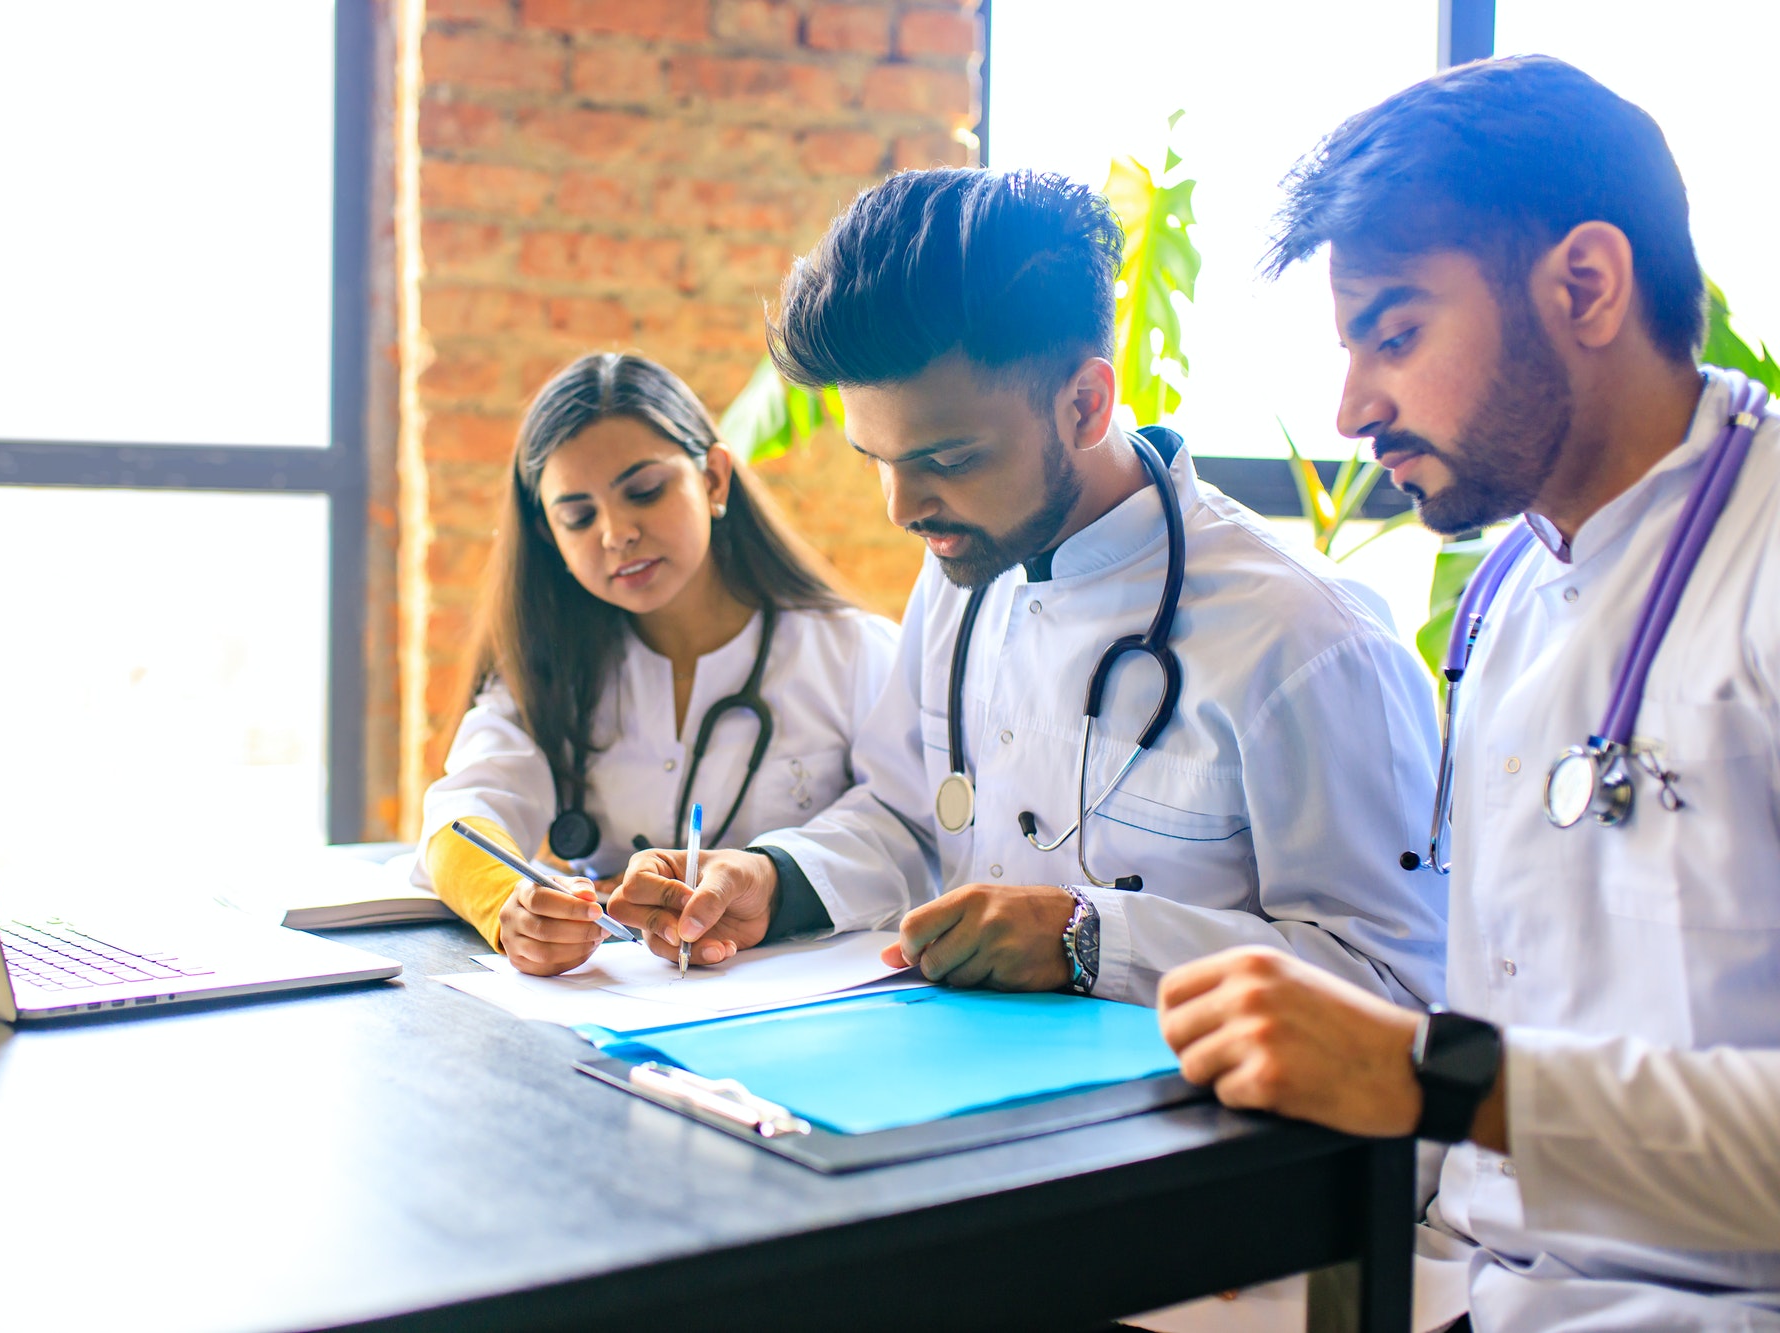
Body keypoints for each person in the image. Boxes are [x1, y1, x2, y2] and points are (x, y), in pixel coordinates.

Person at [1156, 56, 1780, 1330]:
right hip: (1484, 1283)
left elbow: (1466, 1072)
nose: (1351, 408)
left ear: (1584, 287)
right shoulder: (1501, 590)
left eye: (1395, 333)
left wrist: (1436, 1078)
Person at [609, 168, 1445, 1015]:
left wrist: (1091, 939)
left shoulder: (1306, 638)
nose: (903, 508)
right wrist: (773, 878)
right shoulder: (962, 568)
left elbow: (1399, 981)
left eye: (949, 459)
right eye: (878, 463)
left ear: (1085, 403)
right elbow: (907, 816)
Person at [414, 353, 897, 975]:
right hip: (610, 1015)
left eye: (644, 492)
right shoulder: (546, 669)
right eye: (578, 517)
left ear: (715, 480)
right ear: (549, 536)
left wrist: (776, 878)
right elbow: (461, 816)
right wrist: (512, 906)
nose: (616, 534)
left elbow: (908, 834)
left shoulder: (855, 654)